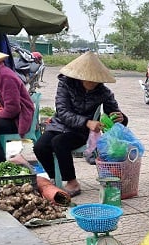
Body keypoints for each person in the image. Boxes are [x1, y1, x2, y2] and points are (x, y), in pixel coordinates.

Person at [33, 51, 127, 197]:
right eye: (89, 79)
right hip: (60, 124)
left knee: (59, 142)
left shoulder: (103, 92)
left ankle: (72, 182)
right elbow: (63, 112)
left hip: (81, 132)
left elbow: (113, 113)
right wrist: (87, 121)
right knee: (40, 147)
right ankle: (54, 177)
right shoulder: (65, 84)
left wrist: (122, 118)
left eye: (96, 80)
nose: (93, 83)